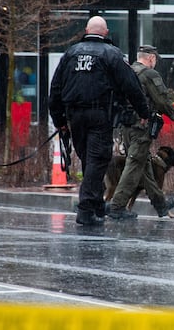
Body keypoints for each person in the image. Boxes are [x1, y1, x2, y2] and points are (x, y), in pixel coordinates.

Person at [49, 16, 150, 226]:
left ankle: (95, 204)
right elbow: (132, 86)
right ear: (105, 32)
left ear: (86, 30)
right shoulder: (112, 54)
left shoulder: (70, 53)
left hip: (74, 116)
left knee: (88, 159)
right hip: (100, 115)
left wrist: (59, 119)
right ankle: (86, 209)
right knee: (97, 160)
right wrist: (144, 112)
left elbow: (55, 89)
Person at [107, 45, 174, 220]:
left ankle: (160, 205)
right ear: (151, 58)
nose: (155, 62)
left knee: (144, 166)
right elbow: (162, 99)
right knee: (135, 165)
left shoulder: (127, 70)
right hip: (140, 127)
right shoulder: (149, 74)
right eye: (155, 59)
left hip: (125, 126)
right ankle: (117, 206)